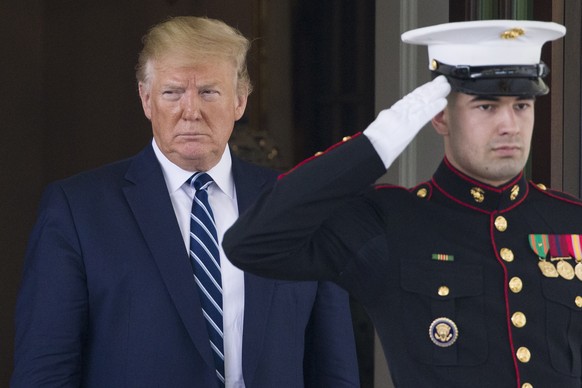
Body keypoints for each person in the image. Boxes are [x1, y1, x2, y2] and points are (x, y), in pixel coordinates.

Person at [223, 20, 582, 387]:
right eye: (486, 107)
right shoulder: (391, 224)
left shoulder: (571, 222)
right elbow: (252, 243)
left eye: (522, 105)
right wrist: (378, 142)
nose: (510, 124)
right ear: (440, 116)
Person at [11, 16, 360, 388]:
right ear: (146, 99)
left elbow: (333, 369)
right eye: (172, 92)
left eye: (209, 92)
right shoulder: (77, 211)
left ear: (240, 100)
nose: (190, 111)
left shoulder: (299, 206)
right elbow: (45, 371)